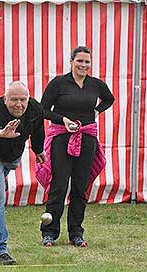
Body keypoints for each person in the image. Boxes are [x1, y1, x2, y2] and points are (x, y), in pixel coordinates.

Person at [36, 46, 114, 247]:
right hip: (62, 139)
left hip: (86, 139)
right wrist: (63, 119)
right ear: (71, 61)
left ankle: (76, 233)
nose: (83, 65)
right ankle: (49, 232)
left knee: (80, 186)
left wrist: (96, 111)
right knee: (59, 185)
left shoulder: (95, 85)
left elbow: (109, 99)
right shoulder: (59, 83)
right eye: (79, 61)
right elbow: (43, 110)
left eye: (87, 62)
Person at [0, 81, 46, 265]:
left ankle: (1, 178)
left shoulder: (35, 109)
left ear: (28, 99)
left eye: (23, 100)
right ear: (5, 99)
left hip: (13, 155)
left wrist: (38, 150)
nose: (19, 104)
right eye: (14, 100)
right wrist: (0, 132)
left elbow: (38, 130)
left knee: (7, 171)